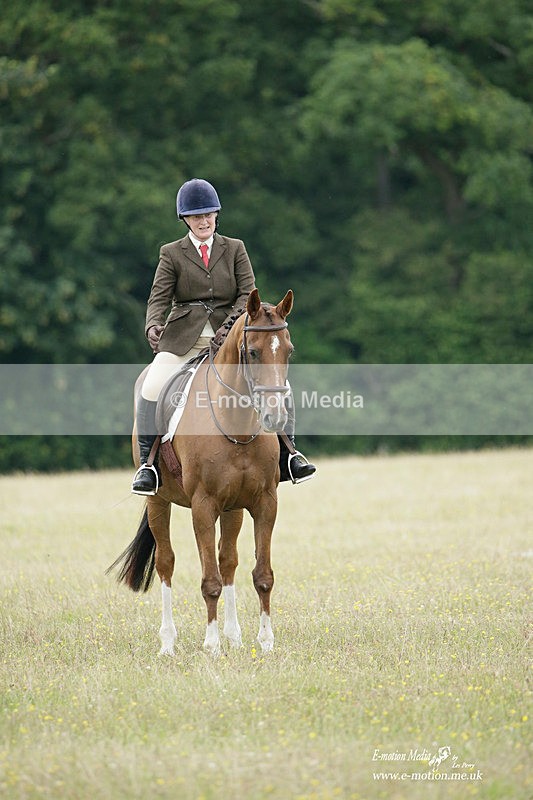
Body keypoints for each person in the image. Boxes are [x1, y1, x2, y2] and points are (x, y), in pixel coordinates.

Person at [132, 178, 316, 495]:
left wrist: (227, 328)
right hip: (182, 340)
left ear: (216, 215)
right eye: (195, 216)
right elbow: (158, 298)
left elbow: (248, 293)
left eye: (208, 214)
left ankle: (289, 455)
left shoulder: (234, 248)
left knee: (281, 385)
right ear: (185, 219)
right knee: (152, 384)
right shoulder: (171, 254)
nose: (203, 221)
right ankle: (148, 466)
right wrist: (152, 325)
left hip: (231, 339)